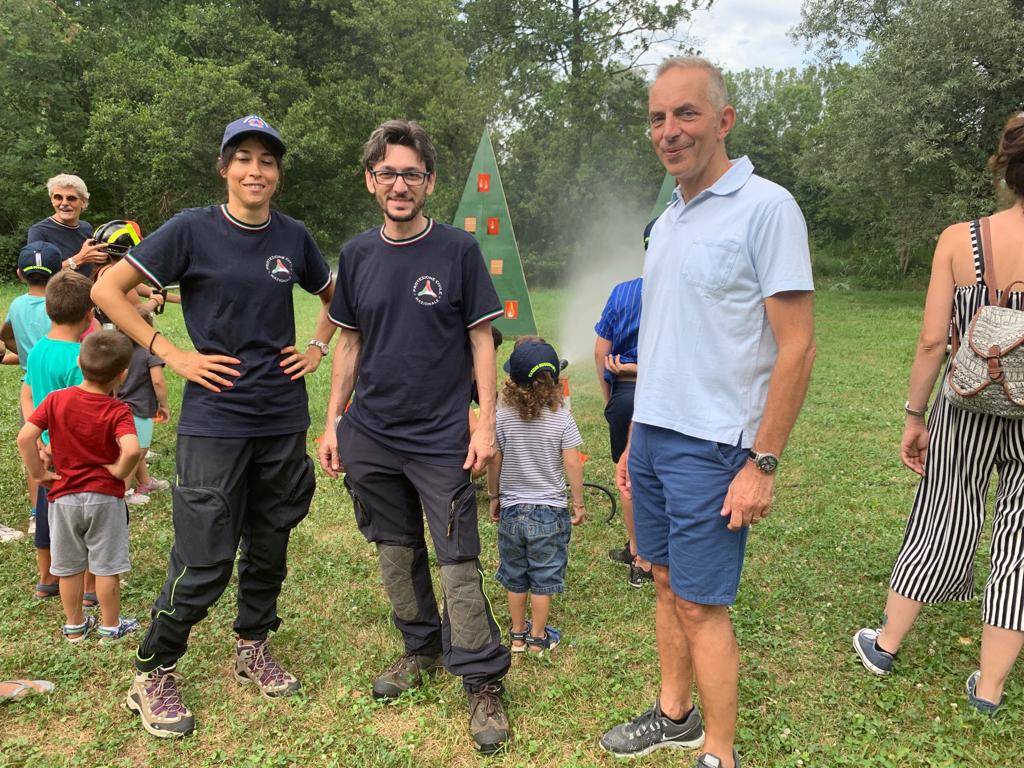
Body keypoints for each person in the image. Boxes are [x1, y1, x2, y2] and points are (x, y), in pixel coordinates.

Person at [599, 57, 815, 768]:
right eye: (658, 118)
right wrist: (635, 437)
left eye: (686, 114)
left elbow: (797, 349)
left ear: (723, 120)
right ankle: (675, 714)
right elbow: (662, 339)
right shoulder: (669, 220)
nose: (670, 131)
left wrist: (764, 463)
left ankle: (718, 754)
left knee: (701, 605)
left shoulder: (767, 208)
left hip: (716, 446)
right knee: (662, 581)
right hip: (658, 434)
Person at [91, 114, 336, 739]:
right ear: (225, 167)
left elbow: (338, 296)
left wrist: (315, 346)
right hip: (215, 419)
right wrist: (169, 353)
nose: (256, 171)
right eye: (244, 159)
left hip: (280, 413)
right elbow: (109, 289)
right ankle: (155, 669)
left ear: (278, 173)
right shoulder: (191, 231)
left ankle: (253, 643)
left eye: (267, 161)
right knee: (203, 555)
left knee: (271, 537)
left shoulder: (293, 236)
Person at [318, 119, 512, 754]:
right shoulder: (358, 255)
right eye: (388, 173)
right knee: (394, 552)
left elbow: (481, 338)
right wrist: (333, 421)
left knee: (456, 556)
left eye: (412, 174)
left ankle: (482, 680)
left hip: (439, 436)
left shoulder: (457, 250)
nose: (400, 185)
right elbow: (348, 342)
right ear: (371, 181)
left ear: (429, 182)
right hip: (372, 432)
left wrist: (484, 422)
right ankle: (420, 648)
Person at [853, 112, 1024, 716]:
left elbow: (932, 342)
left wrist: (913, 412)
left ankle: (886, 645)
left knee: (943, 515)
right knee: (1022, 540)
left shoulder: (961, 240)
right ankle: (991, 688)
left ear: (1004, 170)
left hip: (966, 403)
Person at [18, 330, 142, 644]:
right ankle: (110, 627)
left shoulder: (55, 399)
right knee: (106, 566)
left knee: (69, 566)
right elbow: (131, 449)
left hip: (63, 498)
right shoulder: (118, 411)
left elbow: (25, 437)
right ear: (122, 375)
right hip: (104, 499)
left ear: (79, 361)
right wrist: (117, 470)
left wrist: (40, 473)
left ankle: (74, 626)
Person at [487, 337, 585, 653]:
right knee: (543, 578)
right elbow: (572, 462)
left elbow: (495, 459)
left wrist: (493, 496)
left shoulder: (501, 416)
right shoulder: (561, 417)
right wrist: (578, 503)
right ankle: (538, 638)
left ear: (512, 380)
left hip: (513, 510)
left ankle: (516, 635)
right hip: (550, 511)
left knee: (515, 576)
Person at [24, 271, 97, 603]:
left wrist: (38, 436)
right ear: (89, 314)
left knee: (46, 511)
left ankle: (46, 579)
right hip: (73, 454)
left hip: (45, 448)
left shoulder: (38, 349)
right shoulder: (80, 361)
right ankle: (89, 588)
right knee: (84, 520)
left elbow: (27, 393)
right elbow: (78, 412)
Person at [595, 220, 652, 588]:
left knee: (628, 476)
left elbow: (601, 352)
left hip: (626, 394)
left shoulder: (624, 292)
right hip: (670, 396)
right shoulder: (686, 295)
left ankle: (639, 553)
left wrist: (611, 398)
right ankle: (650, 556)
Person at [5, 242, 62, 536]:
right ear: (58, 272)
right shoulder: (59, 306)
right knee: (64, 447)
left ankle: (36, 513)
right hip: (62, 384)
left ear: (19, 274)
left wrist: (21, 353)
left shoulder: (15, 305)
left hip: (31, 386)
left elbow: (5, 336)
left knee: (36, 450)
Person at [115, 309, 170, 504]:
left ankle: (145, 482)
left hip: (120, 408)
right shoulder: (150, 352)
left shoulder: (120, 351)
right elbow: (158, 382)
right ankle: (124, 494)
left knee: (132, 450)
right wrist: (164, 405)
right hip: (140, 410)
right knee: (137, 452)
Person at [27, 174, 108, 277]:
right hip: (56, 293)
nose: (64, 203)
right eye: (58, 197)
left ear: (83, 202)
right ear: (52, 201)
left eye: (71, 198)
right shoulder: (39, 231)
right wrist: (79, 259)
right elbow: (36, 274)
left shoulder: (86, 227)